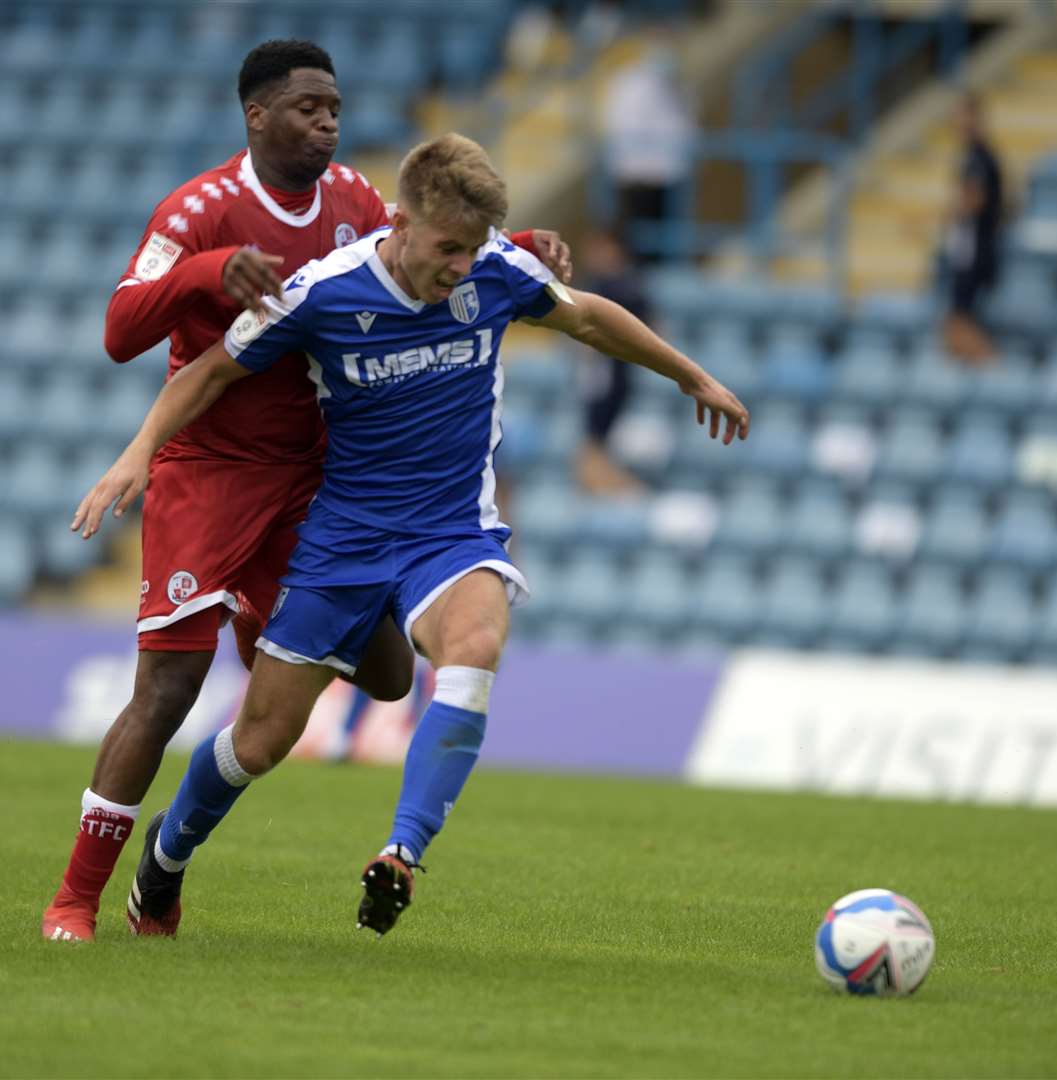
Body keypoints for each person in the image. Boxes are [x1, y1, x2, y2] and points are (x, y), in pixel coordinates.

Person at [73, 133, 748, 939]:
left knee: (475, 641)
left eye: (472, 249)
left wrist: (691, 375)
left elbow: (588, 319)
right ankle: (166, 859)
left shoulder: (496, 270)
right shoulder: (321, 293)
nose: (460, 266)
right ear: (400, 224)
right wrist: (137, 454)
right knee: (260, 739)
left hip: (450, 531)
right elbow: (212, 370)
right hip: (344, 539)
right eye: (446, 248)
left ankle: (402, 851)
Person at [41, 40, 573, 943]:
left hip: (315, 480)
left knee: (390, 671)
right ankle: (76, 900)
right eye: (308, 107)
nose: (328, 121)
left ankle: (255, 666)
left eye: (335, 107)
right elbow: (121, 330)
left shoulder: (358, 200)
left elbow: (416, 254)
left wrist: (514, 250)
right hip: (211, 471)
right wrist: (210, 272)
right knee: (168, 689)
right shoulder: (198, 209)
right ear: (257, 115)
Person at [600, 30, 695, 262]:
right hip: (638, 177)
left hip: (668, 176)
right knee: (638, 242)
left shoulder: (676, 86)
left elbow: (684, 128)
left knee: (661, 242)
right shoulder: (632, 84)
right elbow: (623, 128)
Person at [575, 228, 653, 494]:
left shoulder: (622, 287)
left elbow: (652, 328)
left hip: (612, 373)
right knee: (595, 440)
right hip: (604, 373)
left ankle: (618, 490)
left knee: (597, 439)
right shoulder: (604, 285)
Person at [941, 94, 1003, 365]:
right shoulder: (976, 156)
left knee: (960, 320)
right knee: (953, 324)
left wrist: (939, 218)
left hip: (975, 248)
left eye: (961, 115)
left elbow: (973, 202)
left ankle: (994, 369)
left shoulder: (979, 157)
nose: (956, 122)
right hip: (971, 246)